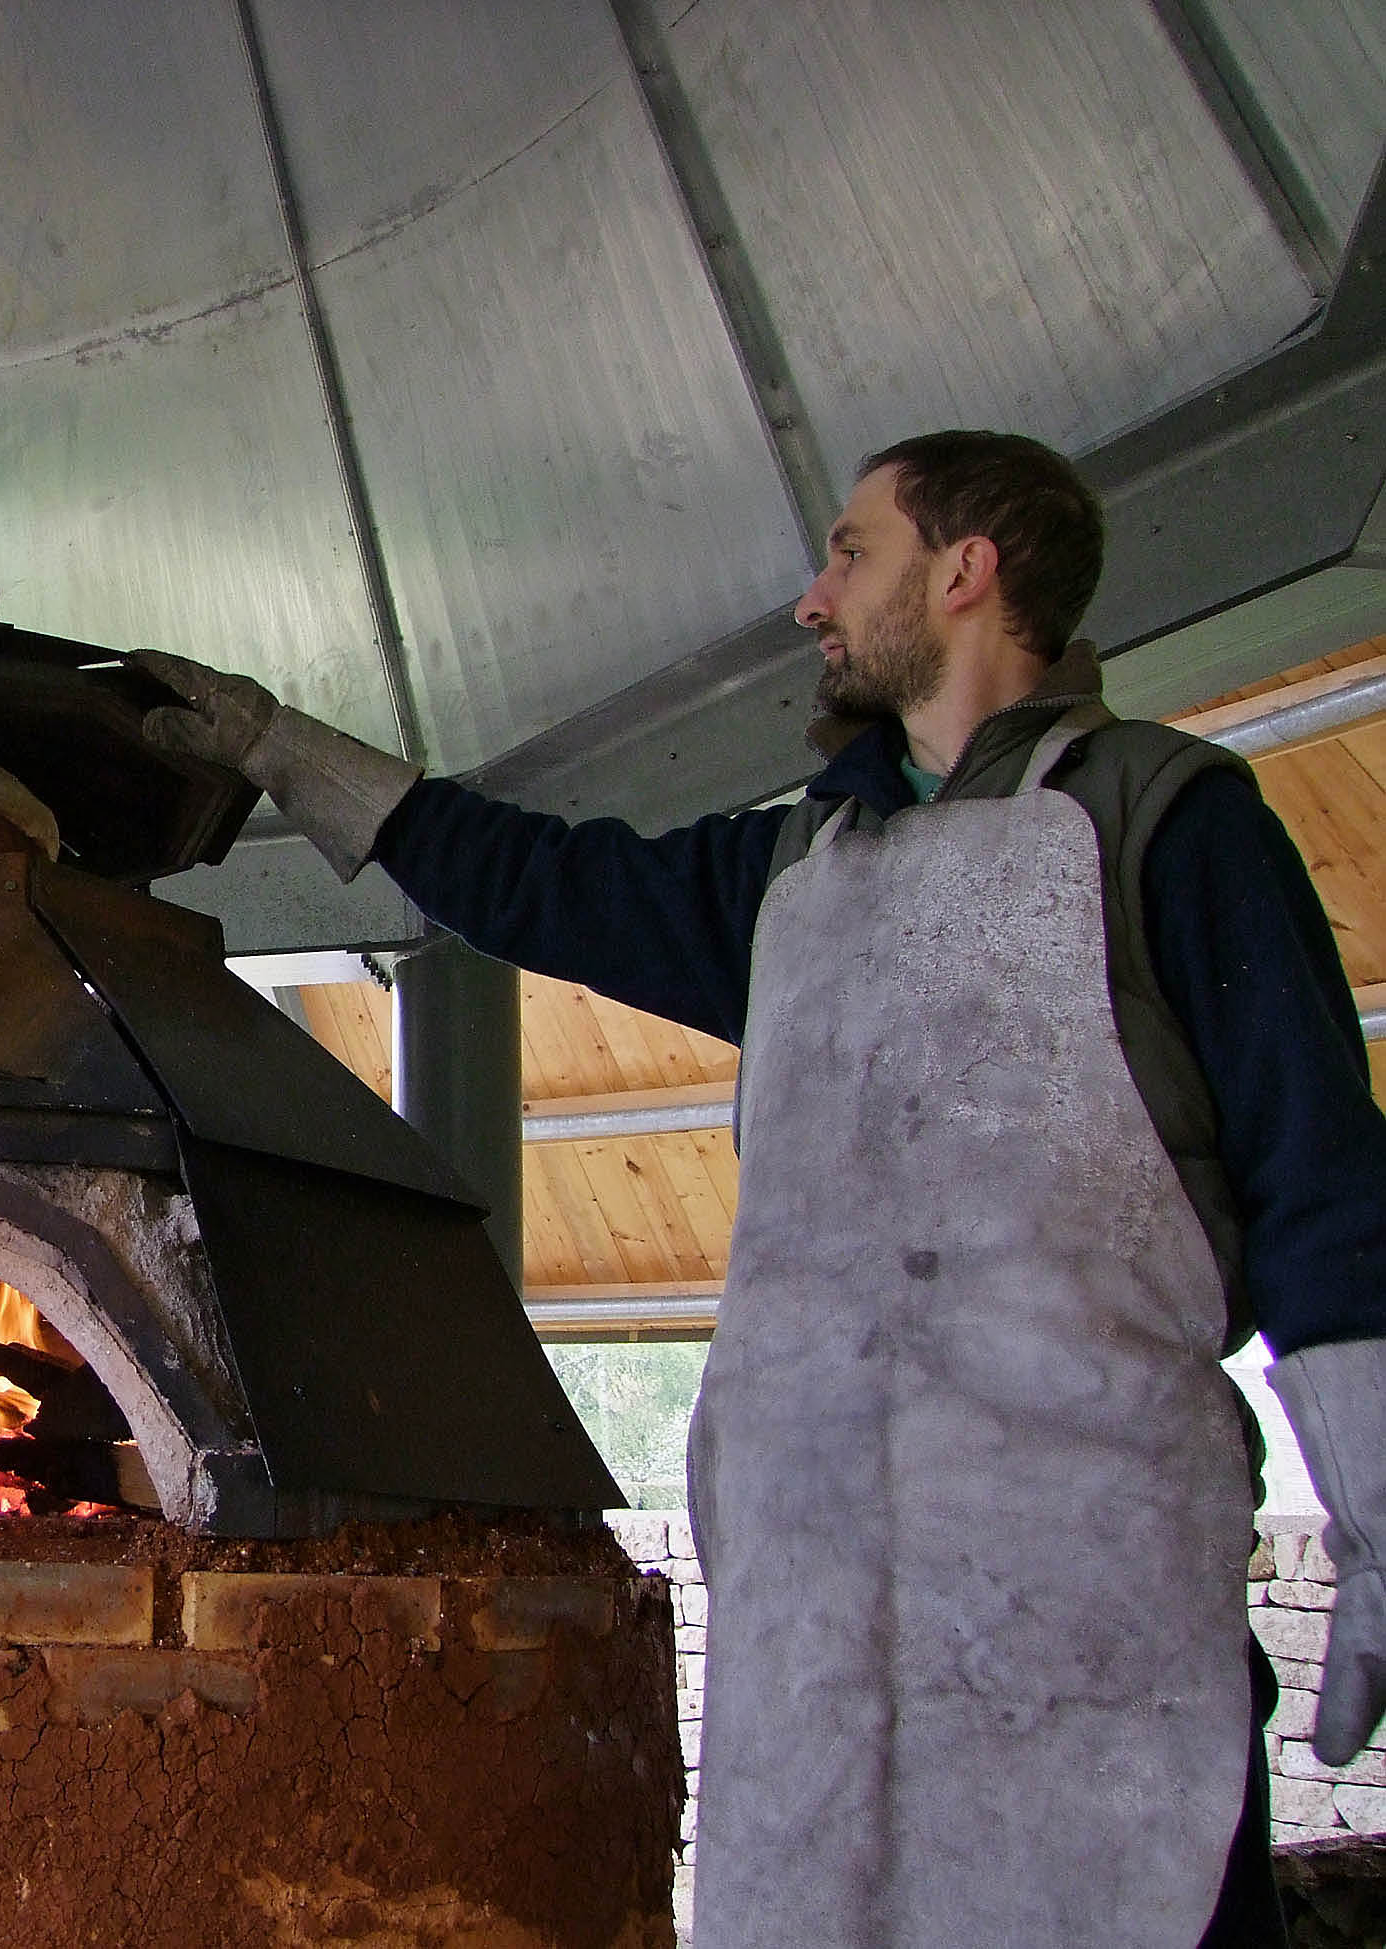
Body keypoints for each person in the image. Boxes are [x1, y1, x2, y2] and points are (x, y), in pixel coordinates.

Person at [134, 430, 1386, 1949]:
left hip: (1087, 1620)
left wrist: (1377, 1520)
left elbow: (1325, 1189)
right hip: (811, 1647)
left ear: (965, 570)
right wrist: (284, 746)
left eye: (850, 551)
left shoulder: (1169, 825)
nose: (810, 598)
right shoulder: (798, 871)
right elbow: (547, 879)